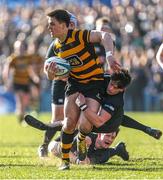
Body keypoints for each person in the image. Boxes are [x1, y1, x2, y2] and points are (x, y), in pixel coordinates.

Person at [44, 9, 120, 170]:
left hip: (94, 83)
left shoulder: (79, 35)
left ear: (64, 26)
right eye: (48, 24)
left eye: (52, 24)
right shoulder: (57, 47)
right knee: (69, 123)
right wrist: (51, 74)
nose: (49, 28)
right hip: (75, 84)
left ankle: (82, 139)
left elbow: (105, 36)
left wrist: (109, 55)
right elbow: (51, 76)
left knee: (85, 125)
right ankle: (65, 161)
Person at [75, 69, 161, 161]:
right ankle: (118, 149)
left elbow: (99, 122)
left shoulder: (116, 100)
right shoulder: (104, 79)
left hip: (106, 126)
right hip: (106, 119)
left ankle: (114, 150)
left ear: (122, 89)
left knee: (92, 159)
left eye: (116, 88)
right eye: (111, 84)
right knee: (71, 127)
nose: (111, 89)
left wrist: (83, 106)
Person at [38, 12, 78, 157]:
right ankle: (44, 146)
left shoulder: (80, 40)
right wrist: (54, 73)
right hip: (60, 83)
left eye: (73, 25)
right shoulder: (55, 44)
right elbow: (46, 69)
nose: (72, 27)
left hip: (76, 84)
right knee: (57, 118)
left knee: (74, 119)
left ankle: (65, 146)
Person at [2, 40, 39, 123]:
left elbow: (31, 69)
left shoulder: (28, 58)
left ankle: (22, 114)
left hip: (26, 82)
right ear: (15, 49)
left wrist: (34, 77)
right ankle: (21, 119)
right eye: (19, 48)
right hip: (17, 83)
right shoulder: (13, 58)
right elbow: (6, 71)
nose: (21, 50)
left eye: (22, 48)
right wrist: (7, 82)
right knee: (20, 101)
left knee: (27, 100)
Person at [48, 130, 129, 165]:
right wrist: (80, 140)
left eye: (113, 137)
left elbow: (85, 163)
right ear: (99, 134)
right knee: (53, 147)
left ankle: (118, 149)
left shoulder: (105, 154)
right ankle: (118, 149)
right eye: (107, 136)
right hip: (60, 143)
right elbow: (56, 146)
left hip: (79, 154)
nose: (110, 139)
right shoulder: (86, 133)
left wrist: (84, 147)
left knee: (80, 161)